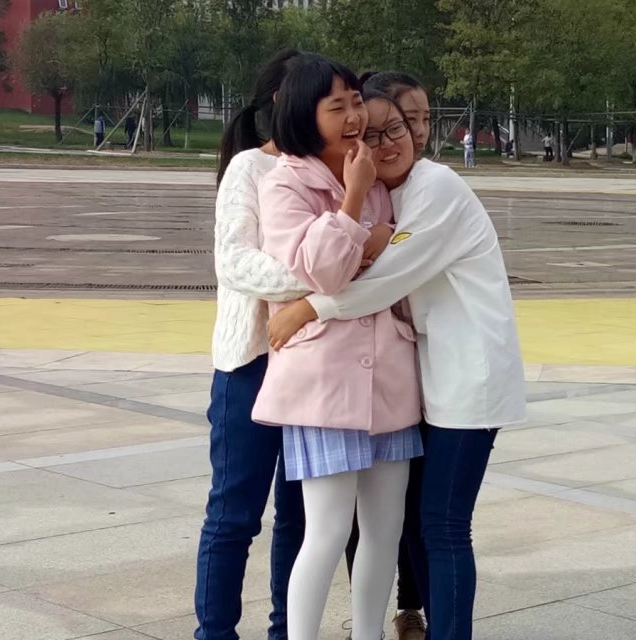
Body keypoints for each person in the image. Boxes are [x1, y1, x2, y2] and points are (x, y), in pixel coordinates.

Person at [267, 82, 526, 640]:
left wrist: (306, 309)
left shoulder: (436, 188)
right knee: (410, 526)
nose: (385, 143)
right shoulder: (383, 192)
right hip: (427, 380)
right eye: (372, 132)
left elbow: (386, 280)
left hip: (469, 380)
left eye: (396, 129)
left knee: (444, 526)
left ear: (416, 131)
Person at [254, 54, 423, 640]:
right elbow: (324, 271)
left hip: (389, 382)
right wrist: (353, 203)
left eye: (356, 102)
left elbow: (397, 258)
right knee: (326, 531)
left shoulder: (374, 174)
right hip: (323, 385)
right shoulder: (285, 185)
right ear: (306, 114)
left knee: (385, 530)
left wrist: (379, 235)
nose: (355, 116)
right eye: (338, 106)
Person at [199, 49, 306, 640]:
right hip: (250, 364)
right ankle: (215, 633)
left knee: (300, 517)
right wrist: (320, 278)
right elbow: (235, 262)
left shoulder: (327, 169)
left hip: (313, 365)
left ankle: (287, 630)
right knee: (235, 513)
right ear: (283, 103)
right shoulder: (249, 168)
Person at [347, 69, 432, 640]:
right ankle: (368, 621)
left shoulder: (429, 186)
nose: (418, 132)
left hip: (420, 373)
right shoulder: (365, 184)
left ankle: (410, 608)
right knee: (360, 515)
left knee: (412, 507)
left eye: (423, 119)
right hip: (364, 372)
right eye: (407, 119)